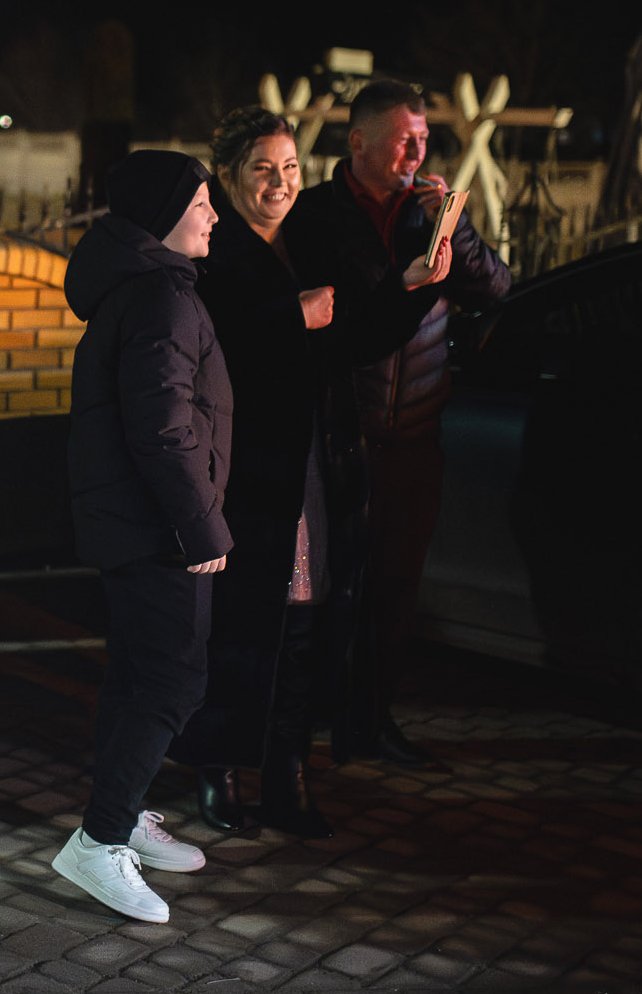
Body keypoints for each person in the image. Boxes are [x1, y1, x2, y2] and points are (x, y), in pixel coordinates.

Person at [174, 107, 451, 838]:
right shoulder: (209, 250)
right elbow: (197, 350)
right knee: (237, 624)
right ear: (228, 175)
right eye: (263, 168)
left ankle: (287, 772)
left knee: (303, 619)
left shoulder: (310, 240)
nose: (281, 182)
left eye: (291, 167)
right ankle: (217, 768)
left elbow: (353, 336)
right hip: (242, 470)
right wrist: (283, 315)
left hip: (312, 464)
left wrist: (410, 285)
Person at [285, 80, 509, 768]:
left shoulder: (428, 211)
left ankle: (372, 719)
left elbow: (496, 287)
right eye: (404, 139)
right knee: (328, 583)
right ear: (358, 141)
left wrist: (455, 231)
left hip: (415, 431)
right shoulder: (315, 214)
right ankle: (308, 714)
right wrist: (402, 284)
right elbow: (336, 322)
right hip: (340, 429)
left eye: (423, 138)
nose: (417, 152)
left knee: (394, 588)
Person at [51, 152, 227, 923]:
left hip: (134, 519)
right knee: (172, 680)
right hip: (159, 524)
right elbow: (165, 426)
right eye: (201, 201)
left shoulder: (145, 286)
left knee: (135, 675)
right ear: (165, 213)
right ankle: (99, 841)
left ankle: (121, 817)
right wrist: (200, 522)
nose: (213, 215)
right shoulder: (162, 295)